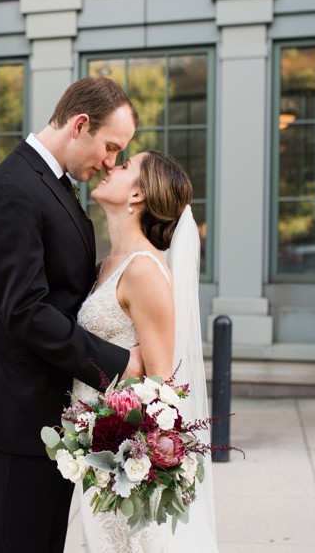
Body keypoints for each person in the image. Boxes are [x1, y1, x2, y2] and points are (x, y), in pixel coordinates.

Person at [0, 77, 144, 553]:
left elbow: (63, 293)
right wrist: (119, 364)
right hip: (20, 416)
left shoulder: (49, 184)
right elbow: (26, 311)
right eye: (111, 147)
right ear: (81, 125)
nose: (111, 163)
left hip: (49, 415)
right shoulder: (13, 190)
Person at [72, 150, 218, 552]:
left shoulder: (144, 270)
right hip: (94, 453)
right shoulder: (106, 264)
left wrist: (129, 463)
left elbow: (161, 387)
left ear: (137, 194)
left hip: (120, 461)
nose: (108, 167)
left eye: (123, 167)